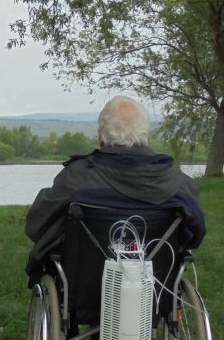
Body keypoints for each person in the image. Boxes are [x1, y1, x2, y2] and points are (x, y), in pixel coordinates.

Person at [24, 94, 204, 246]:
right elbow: (195, 237)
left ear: (100, 134)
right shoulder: (178, 182)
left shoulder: (78, 176)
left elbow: (36, 227)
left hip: (85, 278)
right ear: (147, 134)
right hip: (157, 278)